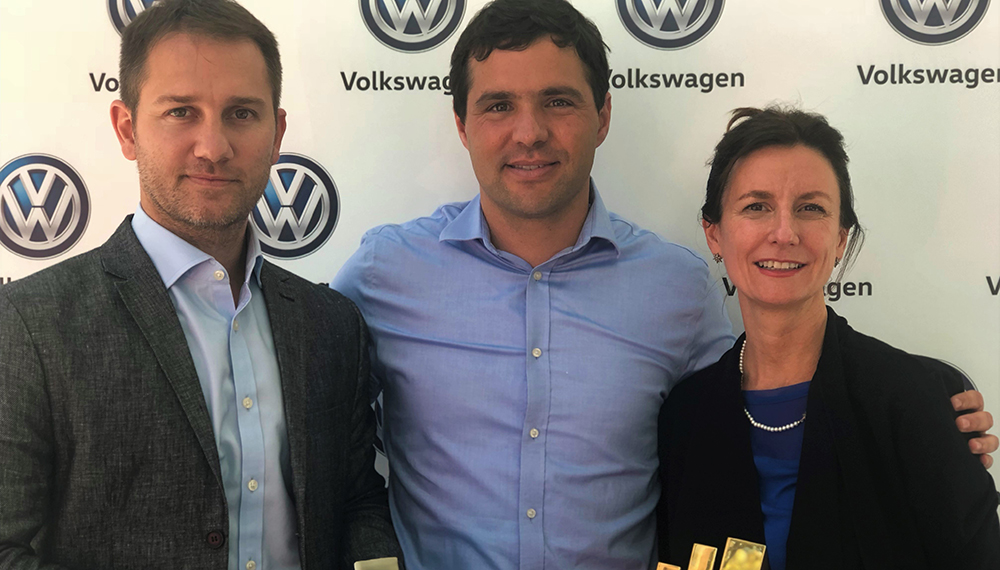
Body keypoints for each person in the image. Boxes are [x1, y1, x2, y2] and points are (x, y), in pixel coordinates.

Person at [331, 1, 996, 568]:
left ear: (603, 115)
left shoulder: (676, 287)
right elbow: (311, 423)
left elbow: (741, 420)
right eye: (498, 105)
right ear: (461, 125)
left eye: (558, 101)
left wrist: (922, 420)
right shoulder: (385, 273)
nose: (528, 132)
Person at [0, 1, 401, 568]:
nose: (213, 147)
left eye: (241, 113)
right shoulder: (29, 326)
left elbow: (357, 500)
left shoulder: (331, 323)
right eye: (181, 112)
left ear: (277, 133)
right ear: (127, 129)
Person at [657, 107, 1000, 570]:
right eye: (756, 206)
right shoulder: (684, 417)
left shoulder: (915, 401)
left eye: (810, 208)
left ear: (840, 239)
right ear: (714, 234)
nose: (784, 233)